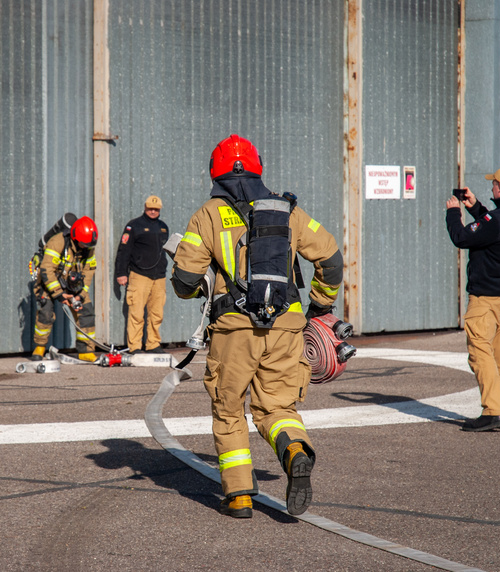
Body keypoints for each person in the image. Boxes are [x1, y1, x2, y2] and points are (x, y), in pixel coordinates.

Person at [171, 134, 343, 518]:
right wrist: (319, 306)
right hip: (286, 327)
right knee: (278, 407)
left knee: (229, 408)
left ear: (215, 170)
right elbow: (331, 260)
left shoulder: (208, 215)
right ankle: (295, 450)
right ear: (257, 166)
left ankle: (240, 497)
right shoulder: (288, 211)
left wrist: (201, 282)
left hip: (233, 330)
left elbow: (184, 280)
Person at [446, 167, 500, 432]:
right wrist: (477, 208)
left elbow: (462, 237)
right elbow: (491, 230)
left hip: (487, 298)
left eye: (494, 184)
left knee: (479, 351)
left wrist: (453, 212)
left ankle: (492, 410)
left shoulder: (496, 220)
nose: (492, 187)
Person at [31, 215, 99, 362]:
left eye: (89, 245)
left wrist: (81, 294)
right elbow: (47, 269)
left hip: (72, 282)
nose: (86, 247)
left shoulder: (88, 247)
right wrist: (59, 294)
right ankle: (40, 347)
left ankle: (86, 351)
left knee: (86, 311)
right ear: (75, 237)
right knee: (46, 312)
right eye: (83, 244)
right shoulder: (57, 242)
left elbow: (89, 271)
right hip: (50, 281)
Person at [114, 195, 170, 354]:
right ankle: (135, 347)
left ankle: (153, 344)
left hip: (159, 277)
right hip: (139, 276)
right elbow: (123, 251)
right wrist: (121, 273)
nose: (153, 211)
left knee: (156, 314)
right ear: (145, 208)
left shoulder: (163, 227)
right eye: (150, 208)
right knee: (136, 313)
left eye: (156, 209)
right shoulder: (134, 226)